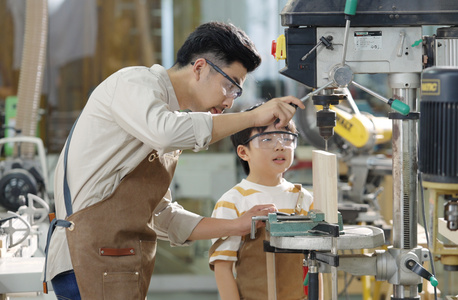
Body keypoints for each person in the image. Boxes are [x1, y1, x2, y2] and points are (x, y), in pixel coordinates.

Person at [42, 21, 304, 300]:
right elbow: (166, 132)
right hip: (84, 262)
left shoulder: (168, 119)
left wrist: (237, 225)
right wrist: (253, 117)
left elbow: (162, 215)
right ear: (200, 67)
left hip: (117, 265)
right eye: (230, 86)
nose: (229, 102)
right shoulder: (135, 84)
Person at [209, 103, 314, 300]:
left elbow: (317, 264)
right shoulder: (233, 201)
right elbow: (223, 267)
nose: (280, 145)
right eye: (266, 139)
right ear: (243, 152)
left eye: (287, 138)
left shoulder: (304, 199)